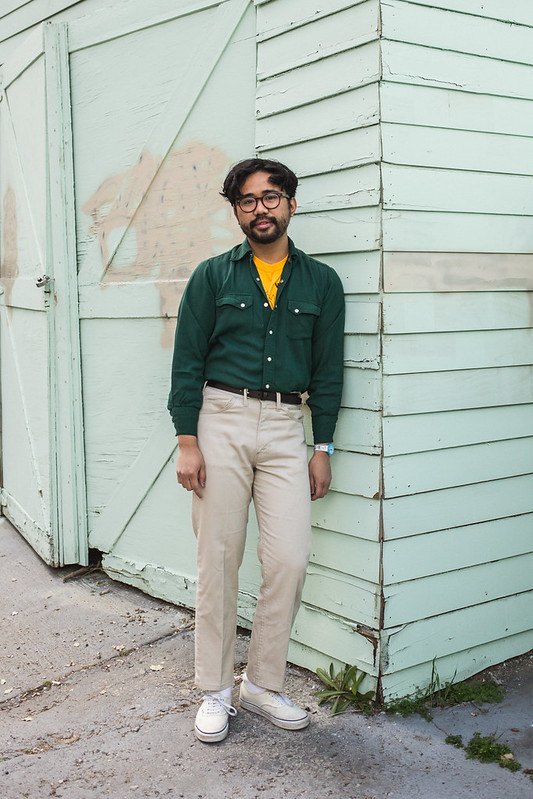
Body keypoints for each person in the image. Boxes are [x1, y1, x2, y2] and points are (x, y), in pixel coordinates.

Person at [168, 158, 345, 743]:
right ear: (237, 211)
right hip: (220, 418)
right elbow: (187, 362)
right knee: (218, 559)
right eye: (248, 200)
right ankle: (216, 688)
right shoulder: (213, 277)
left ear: (291, 204)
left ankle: (263, 683)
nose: (260, 208)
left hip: (286, 427)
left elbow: (327, 371)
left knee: (290, 558)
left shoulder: (322, 283)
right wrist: (187, 439)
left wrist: (323, 445)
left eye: (271, 197)